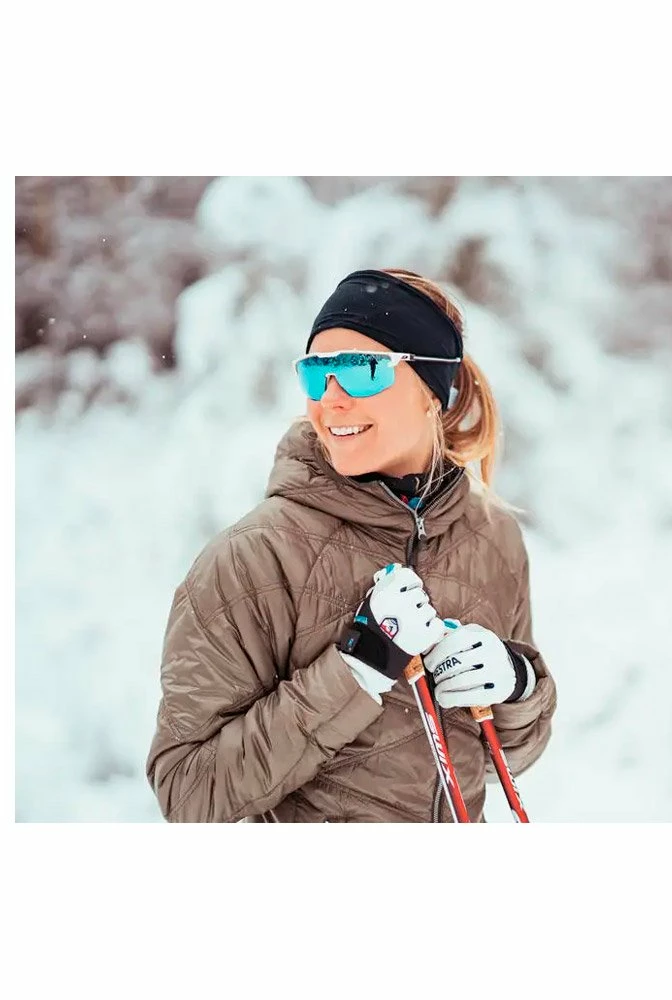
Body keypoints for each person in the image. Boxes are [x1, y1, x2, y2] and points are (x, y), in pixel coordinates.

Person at [146, 267, 556, 822]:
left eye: (362, 371)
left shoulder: (492, 537)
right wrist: (359, 667)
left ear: (433, 390)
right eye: (316, 374)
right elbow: (188, 793)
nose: (331, 399)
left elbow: (511, 757)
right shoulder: (254, 557)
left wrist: (516, 684)